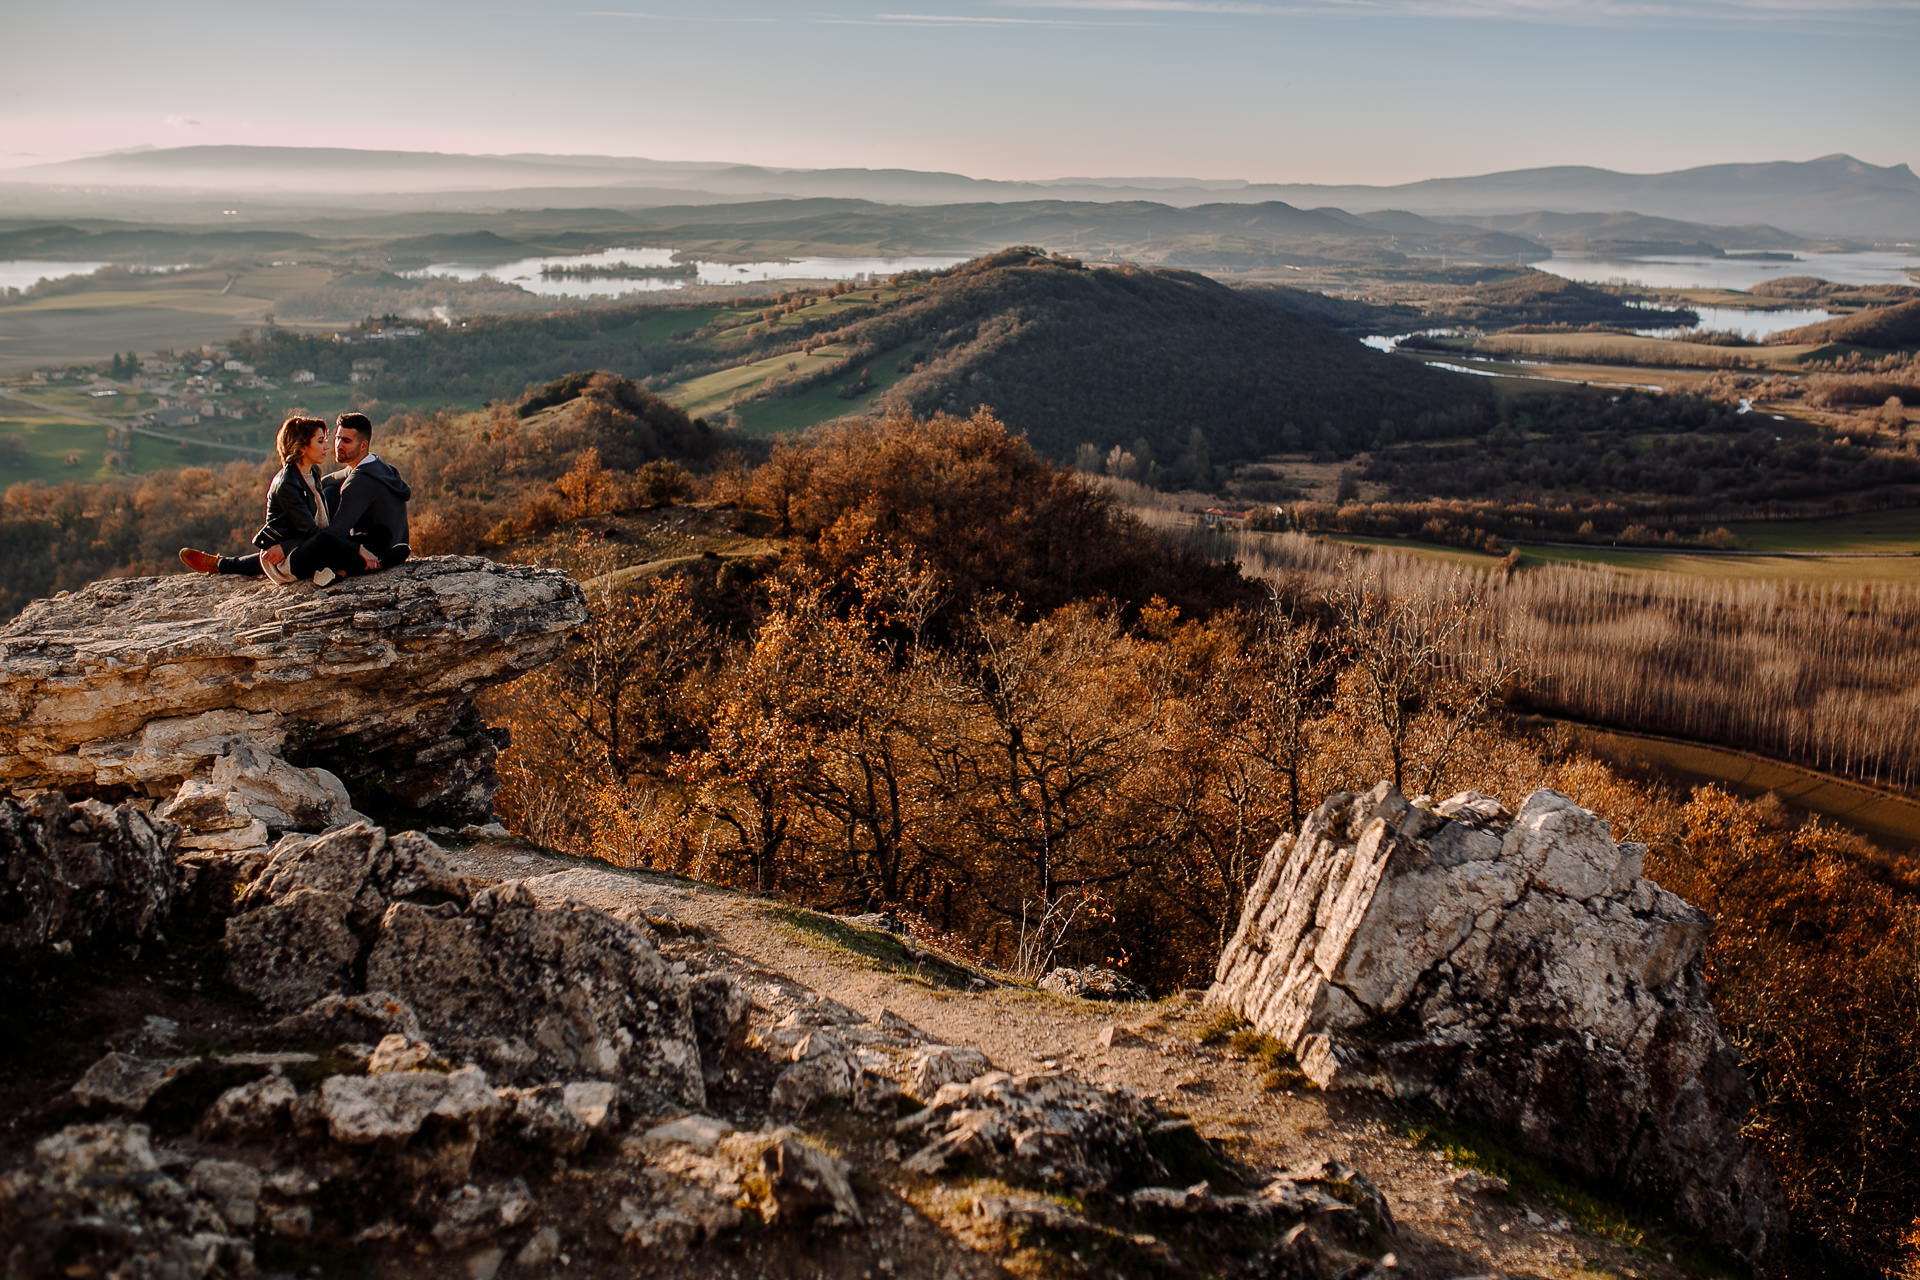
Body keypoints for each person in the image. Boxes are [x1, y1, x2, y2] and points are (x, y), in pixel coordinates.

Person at [178, 416, 368, 586]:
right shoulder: (287, 485)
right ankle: (222, 565)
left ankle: (342, 567)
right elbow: (314, 534)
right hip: (288, 562)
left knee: (334, 495)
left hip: (299, 545)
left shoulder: (312, 472)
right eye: (320, 441)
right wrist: (357, 548)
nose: (327, 447)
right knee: (349, 549)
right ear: (301, 448)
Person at [322, 412, 411, 569]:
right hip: (397, 544)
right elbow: (336, 477)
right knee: (328, 488)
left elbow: (336, 533)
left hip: (375, 553)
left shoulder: (359, 483)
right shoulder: (379, 466)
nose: (338, 445)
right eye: (337, 438)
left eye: (346, 441)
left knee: (329, 494)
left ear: (363, 445)